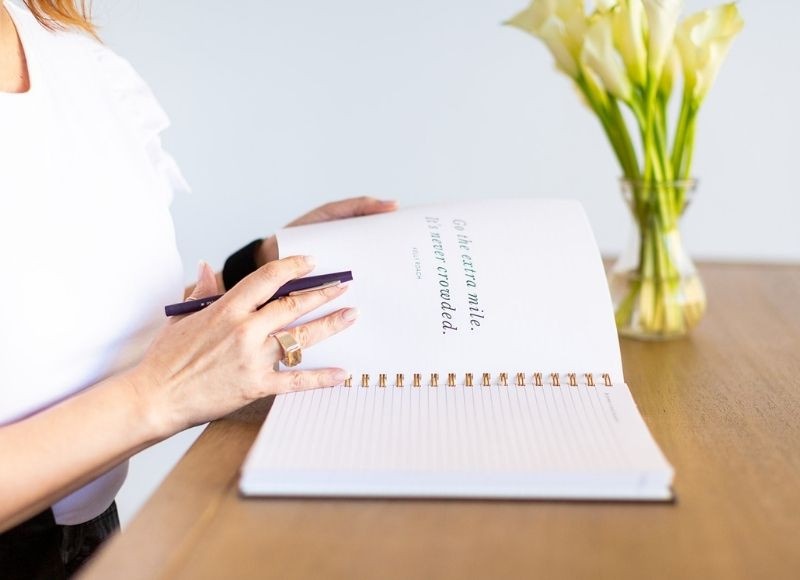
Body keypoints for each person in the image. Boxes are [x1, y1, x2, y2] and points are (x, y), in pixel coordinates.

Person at [0, 1, 397, 576]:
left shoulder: (69, 53)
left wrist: (252, 278)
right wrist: (159, 396)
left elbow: (68, 329)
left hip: (93, 547)